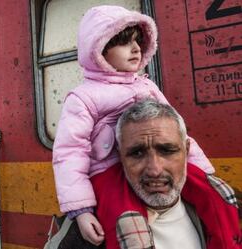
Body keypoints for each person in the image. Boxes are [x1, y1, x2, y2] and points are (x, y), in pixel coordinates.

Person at [52, 5, 233, 247]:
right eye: (124, 43)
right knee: (125, 221)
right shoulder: (83, 97)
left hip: (145, 163)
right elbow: (69, 152)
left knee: (217, 194)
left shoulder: (147, 86)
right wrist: (81, 209)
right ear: (98, 51)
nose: (136, 48)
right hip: (107, 172)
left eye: (138, 41)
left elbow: (177, 132)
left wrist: (200, 170)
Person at [90, 99, 240, 248]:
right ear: (120, 156)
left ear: (186, 151)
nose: (155, 170)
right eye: (137, 153)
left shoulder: (216, 212)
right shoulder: (88, 229)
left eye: (167, 151)